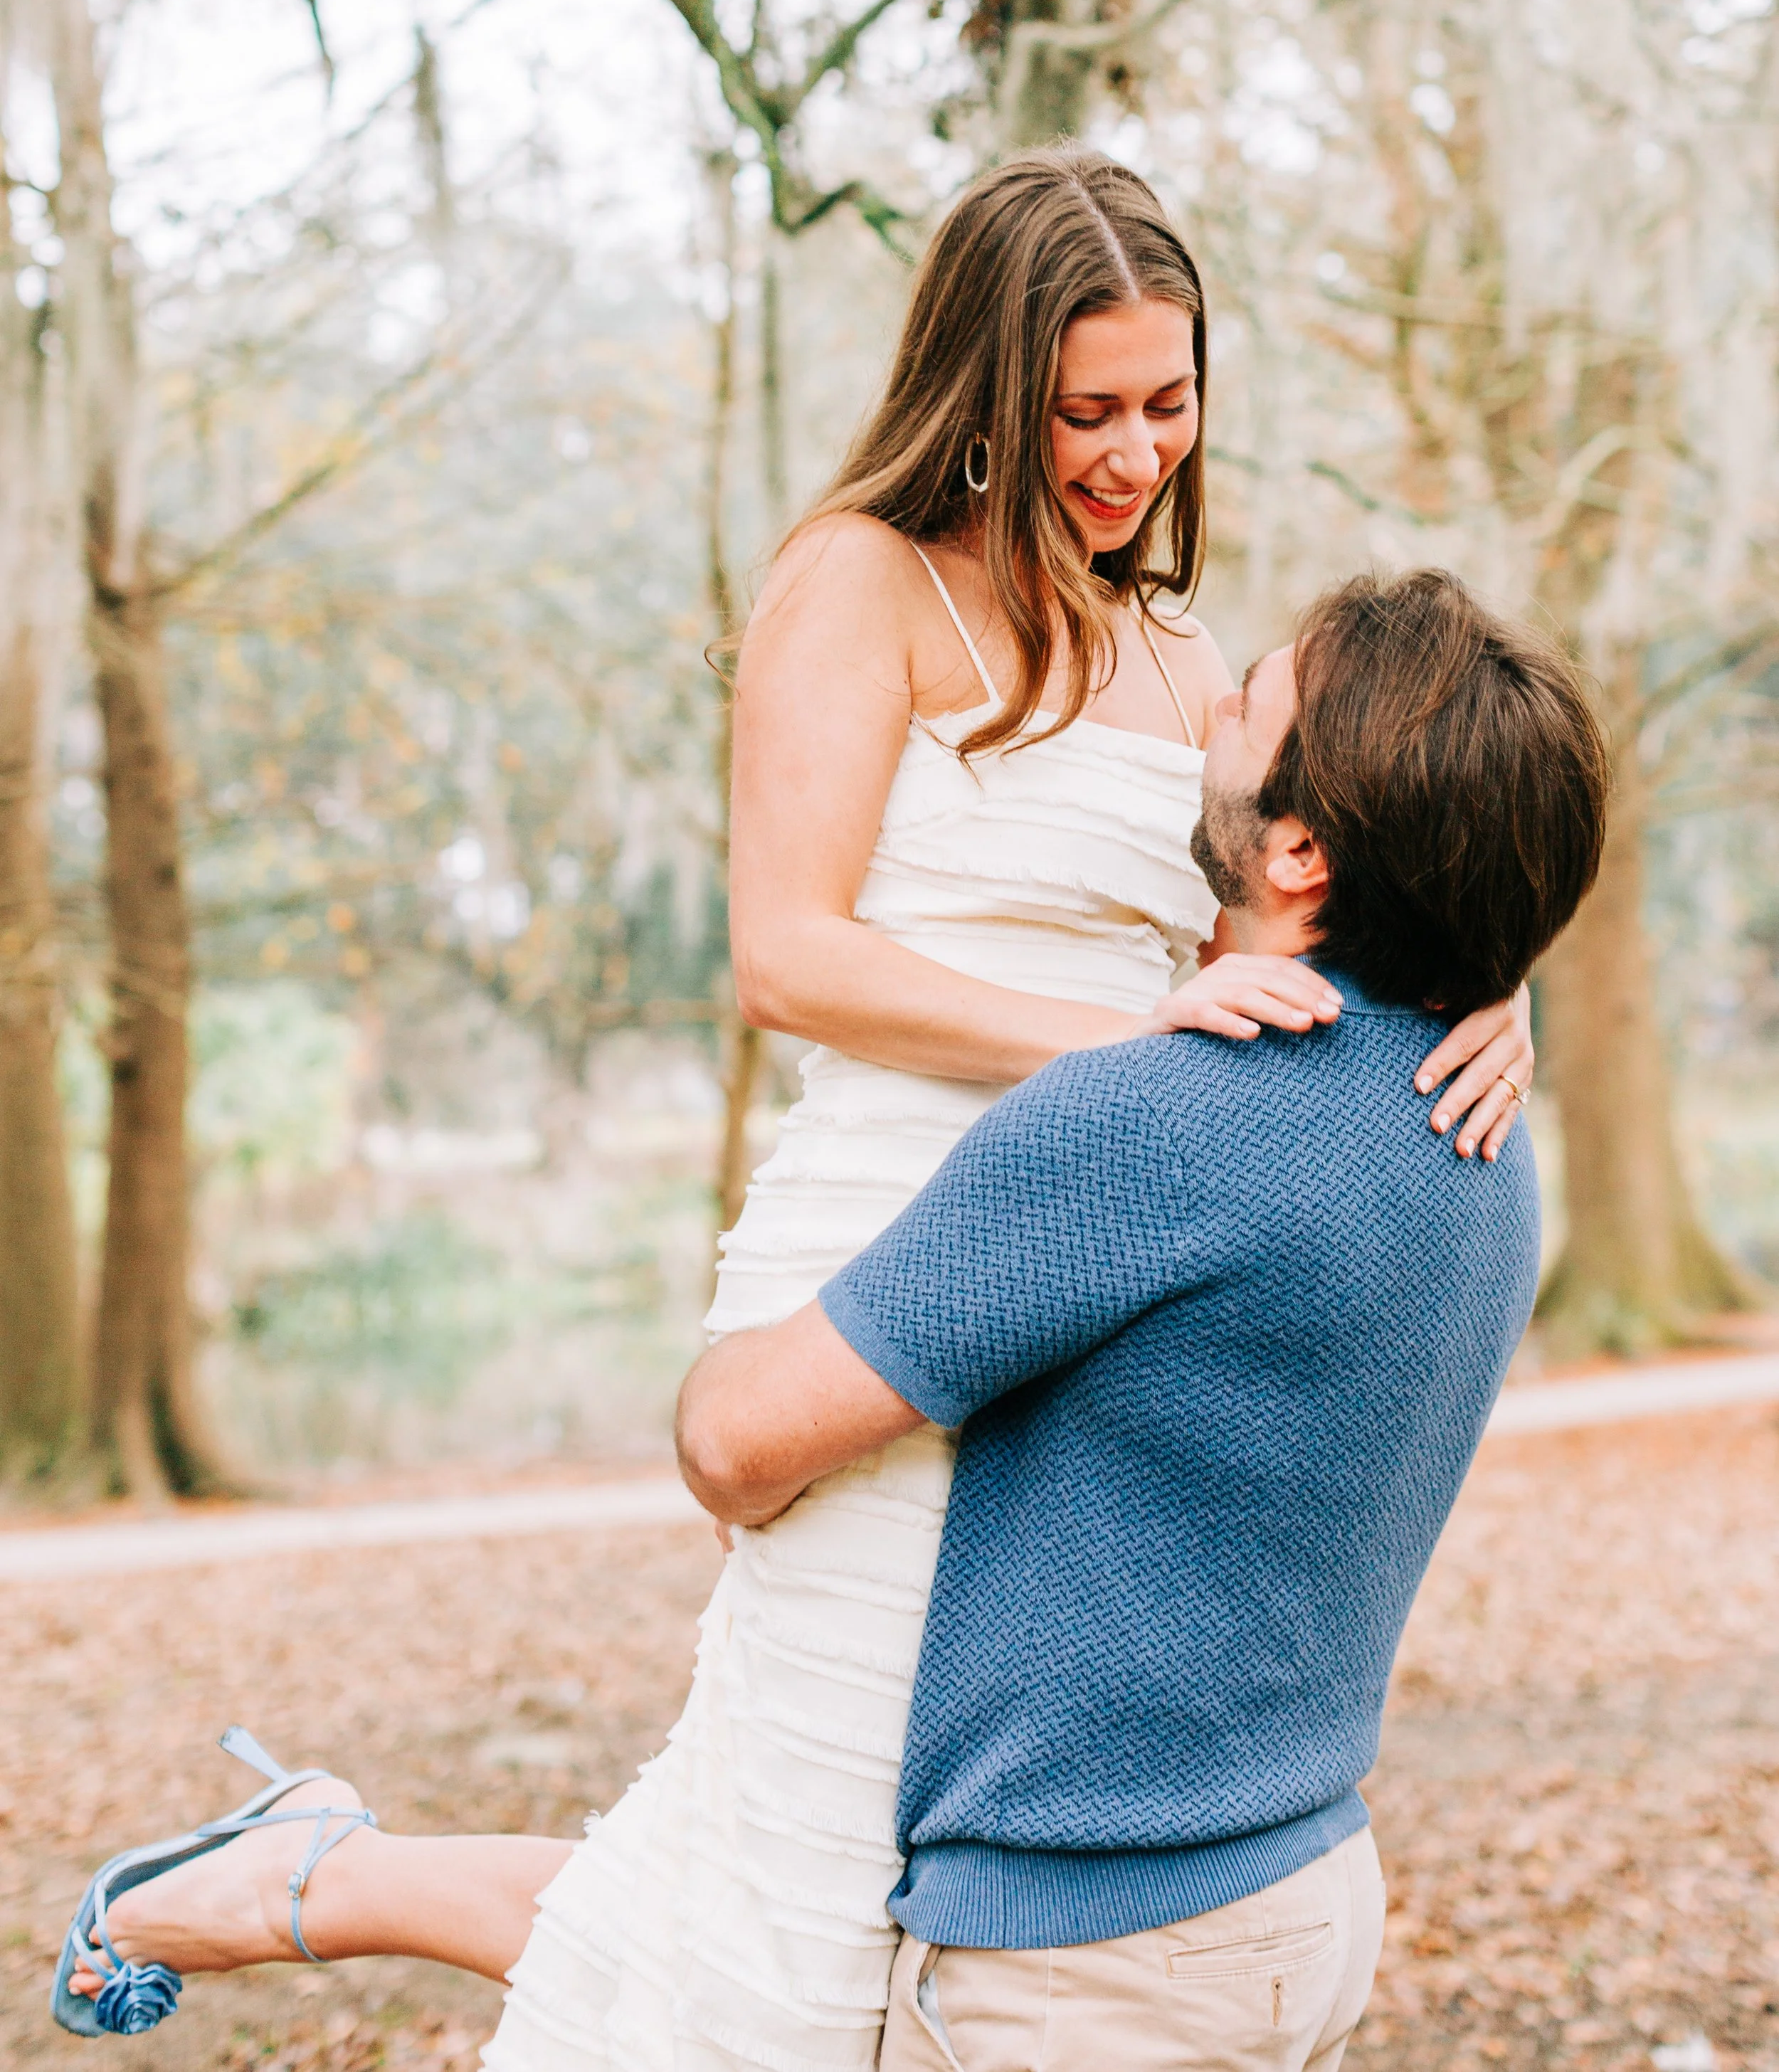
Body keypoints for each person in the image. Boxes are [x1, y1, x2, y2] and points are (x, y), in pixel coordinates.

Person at [56, 157, 1531, 2059]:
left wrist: (1497, 984)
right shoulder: (861, 581)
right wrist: (1119, 1051)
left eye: (1167, 403)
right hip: (895, 1244)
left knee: (822, 1886)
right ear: (985, 390)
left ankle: (311, 1865)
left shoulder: (1185, 659)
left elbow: (1350, 862)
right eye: (1083, 410)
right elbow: (787, 957)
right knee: (804, 1892)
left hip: (1102, 1301)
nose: (1130, 452)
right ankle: (313, 1873)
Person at [675, 566, 1612, 2072]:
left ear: (1299, 845)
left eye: (1252, 698)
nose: (1210, 703)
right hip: (1298, 1887)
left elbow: (732, 1446)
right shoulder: (1484, 1122)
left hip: (1090, 1969)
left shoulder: (1152, 1124)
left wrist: (740, 1328)